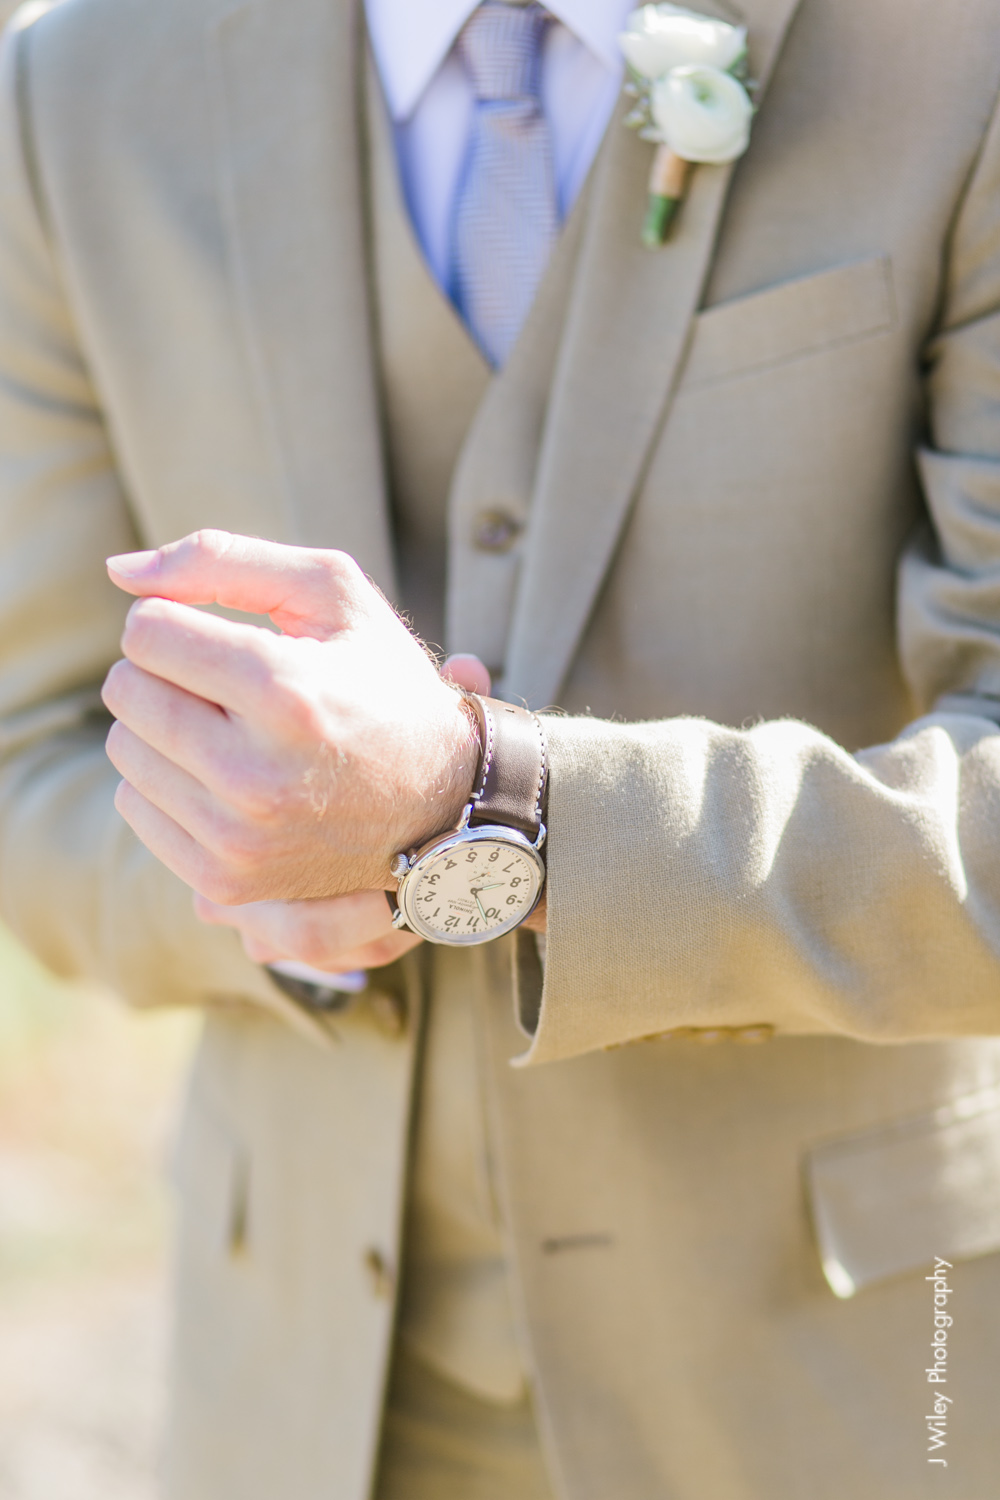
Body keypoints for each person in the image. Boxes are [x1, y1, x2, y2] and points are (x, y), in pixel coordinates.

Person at [2, 0, 1000, 1495]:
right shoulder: (80, 85)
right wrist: (272, 892)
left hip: (845, 1391)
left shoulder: (957, 51)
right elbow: (32, 762)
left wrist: (502, 809)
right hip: (295, 1415)